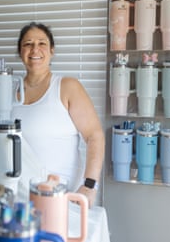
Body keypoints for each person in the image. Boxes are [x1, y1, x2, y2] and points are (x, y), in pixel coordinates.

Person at [11, 22, 105, 207]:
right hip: (18, 197)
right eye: (28, 44)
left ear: (52, 50)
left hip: (60, 197)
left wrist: (89, 186)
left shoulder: (67, 87)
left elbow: (95, 136)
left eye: (42, 43)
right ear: (20, 51)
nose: (34, 49)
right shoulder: (8, 91)